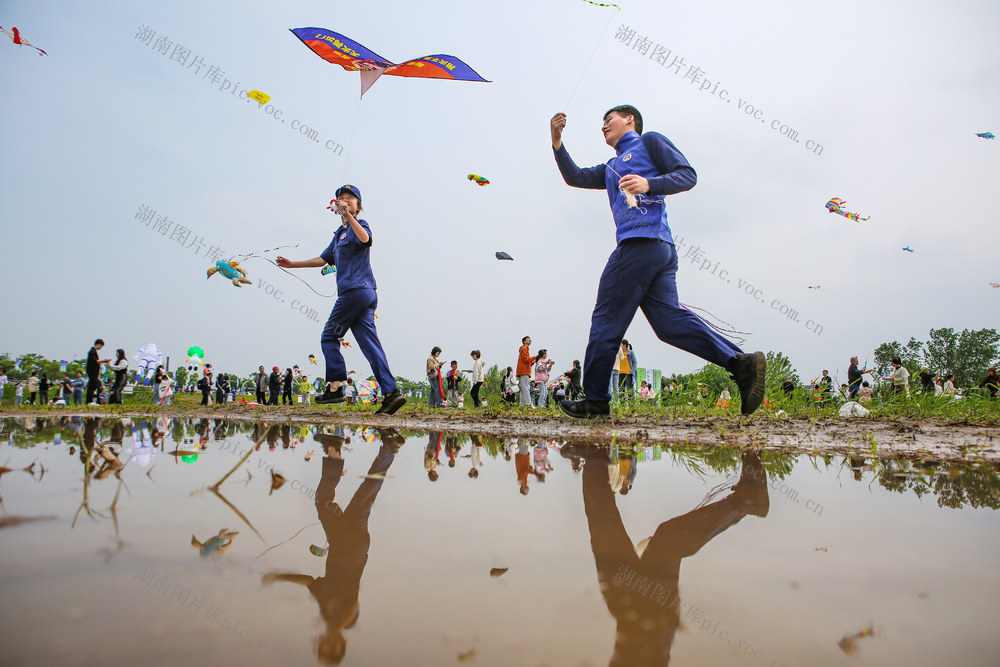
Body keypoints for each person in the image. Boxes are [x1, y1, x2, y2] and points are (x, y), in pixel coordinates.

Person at [550, 106, 765, 418]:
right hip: (658, 251)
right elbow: (576, 176)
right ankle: (740, 364)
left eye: (608, 120)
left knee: (607, 319)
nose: (603, 127)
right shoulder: (611, 167)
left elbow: (687, 175)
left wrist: (649, 184)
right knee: (669, 324)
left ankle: (595, 400)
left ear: (630, 120)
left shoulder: (648, 142)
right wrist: (557, 143)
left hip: (640, 245)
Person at [276, 185, 406, 415]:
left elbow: (366, 240)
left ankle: (335, 387)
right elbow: (323, 260)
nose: (344, 200)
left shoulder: (361, 225)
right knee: (370, 345)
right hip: (362, 297)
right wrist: (292, 264)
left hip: (356, 292)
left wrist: (348, 215)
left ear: (358, 205)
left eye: (349, 198)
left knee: (329, 336)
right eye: (340, 198)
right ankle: (391, 393)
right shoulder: (338, 235)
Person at [86, 339, 110, 405]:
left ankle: (95, 400)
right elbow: (95, 361)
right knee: (91, 386)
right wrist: (104, 361)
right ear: (98, 344)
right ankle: (89, 401)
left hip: (94, 372)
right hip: (92, 372)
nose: (100, 348)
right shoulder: (92, 352)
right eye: (101, 346)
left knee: (95, 385)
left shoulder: (94, 351)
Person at [516, 336, 537, 408]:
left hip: (524, 370)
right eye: (528, 339)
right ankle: (529, 404)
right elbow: (526, 359)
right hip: (524, 371)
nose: (530, 340)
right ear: (524, 341)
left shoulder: (525, 349)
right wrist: (535, 357)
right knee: (526, 387)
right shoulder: (524, 348)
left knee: (523, 388)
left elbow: (527, 362)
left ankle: (522, 404)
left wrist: (533, 361)